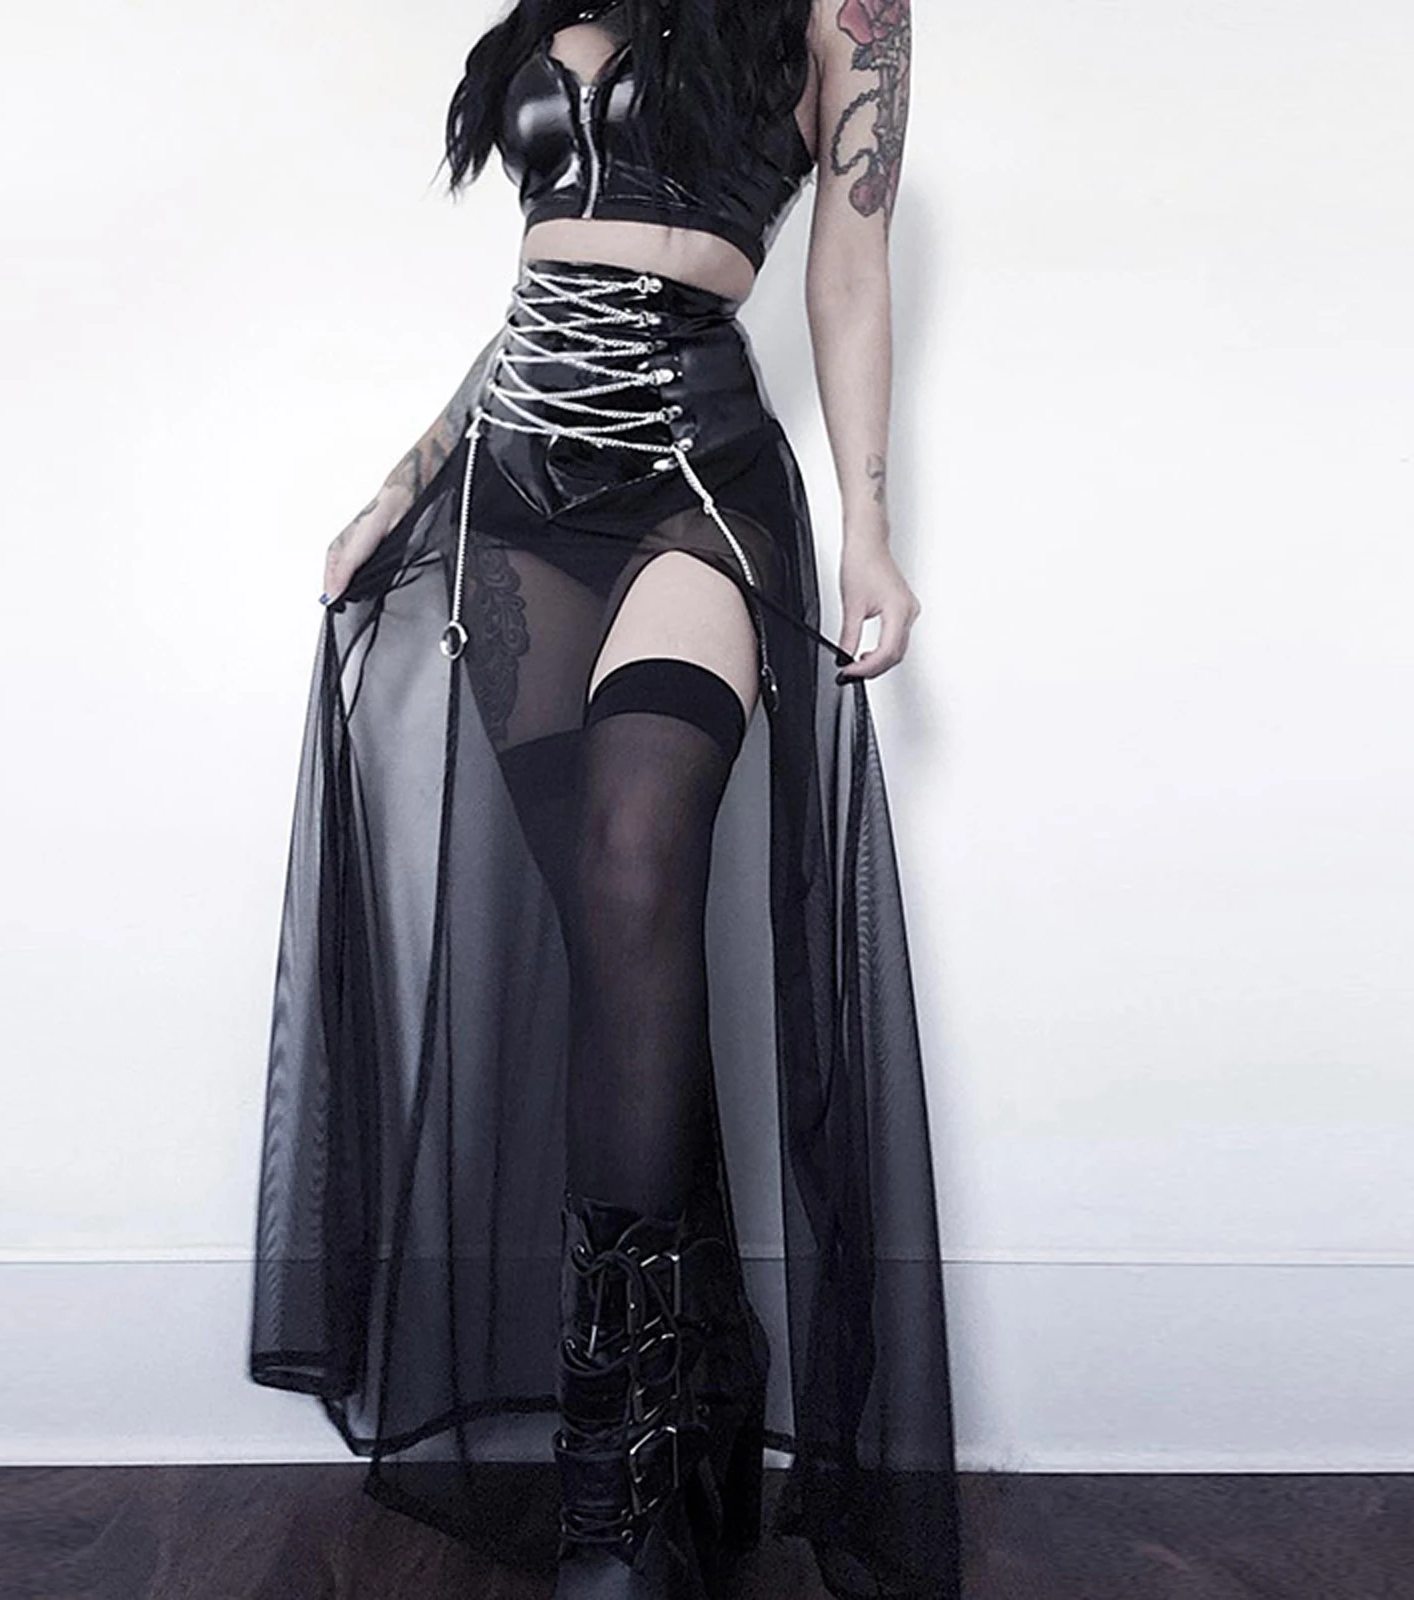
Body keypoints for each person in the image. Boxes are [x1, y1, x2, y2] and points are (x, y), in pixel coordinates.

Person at [248, 2, 962, 1596]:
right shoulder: (556, 9)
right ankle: (683, 1396)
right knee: (608, 951)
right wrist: (396, 488)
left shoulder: (847, 13)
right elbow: (537, 290)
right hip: (512, 503)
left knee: (638, 864)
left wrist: (870, 529)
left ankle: (614, 1487)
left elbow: (850, 272)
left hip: (696, 483)